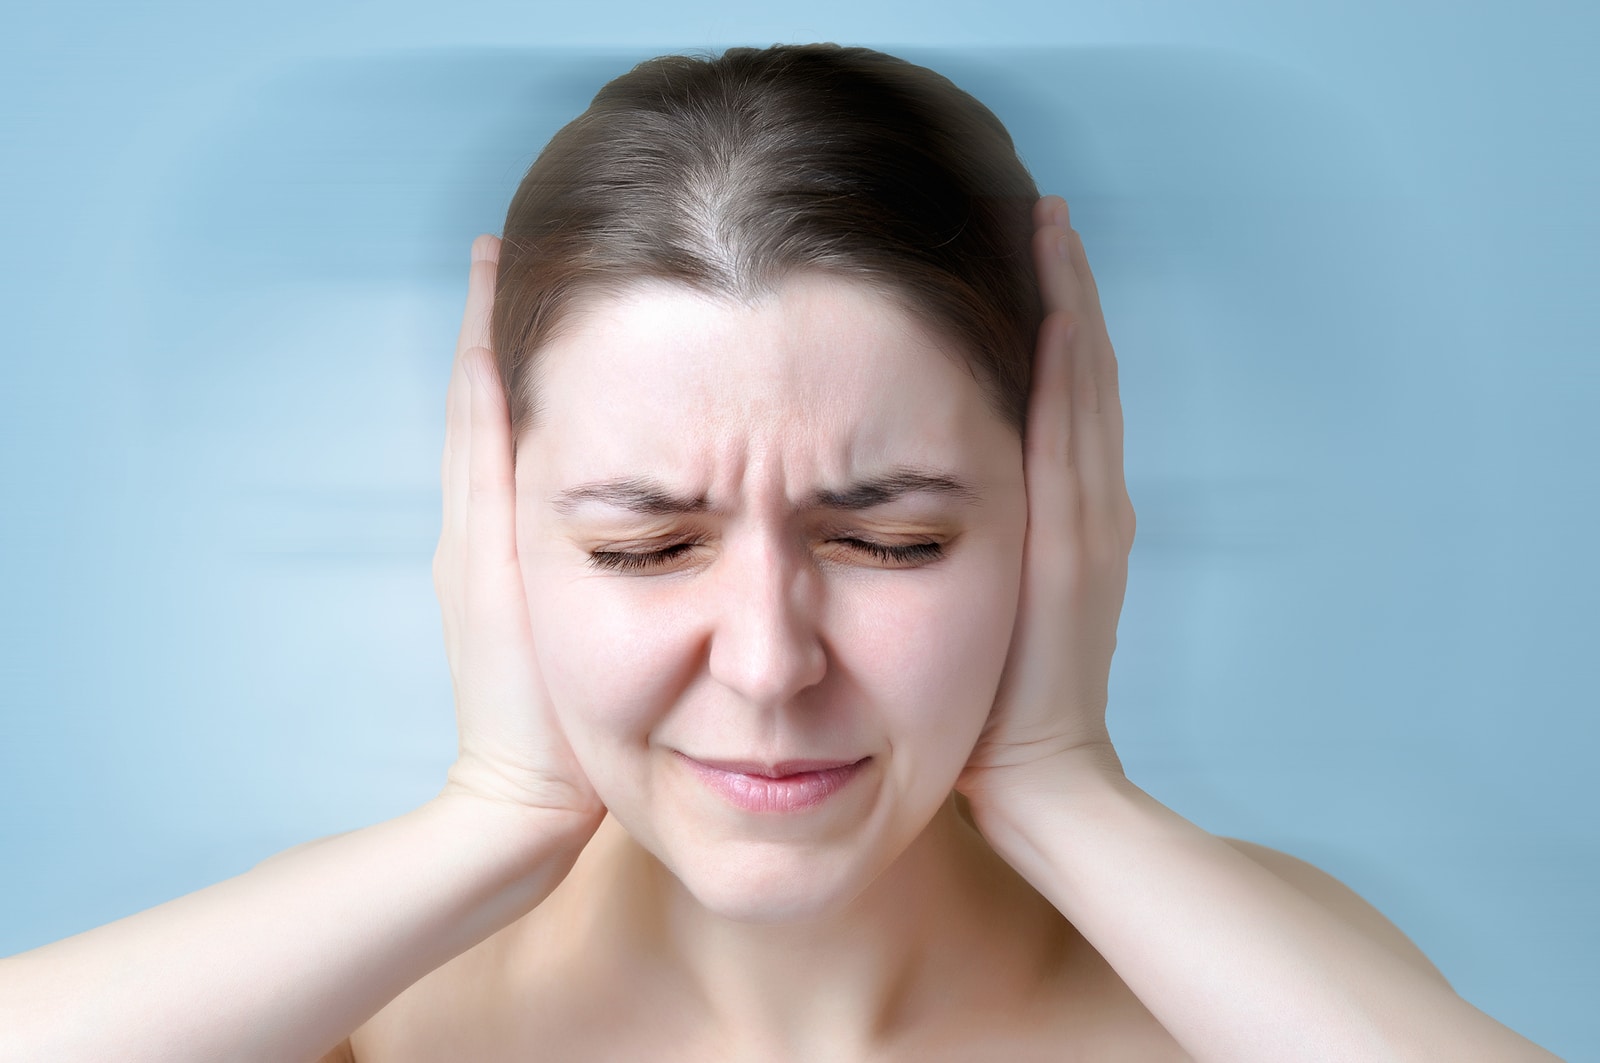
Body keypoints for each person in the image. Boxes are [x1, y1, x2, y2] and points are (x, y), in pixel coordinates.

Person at [0, 43, 1560, 1063]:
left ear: (1061, 520)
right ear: (497, 541)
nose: (765, 660)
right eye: (644, 545)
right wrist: (497, 815)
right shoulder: (368, 1012)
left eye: (893, 540)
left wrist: (1066, 782)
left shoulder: (1239, 994)